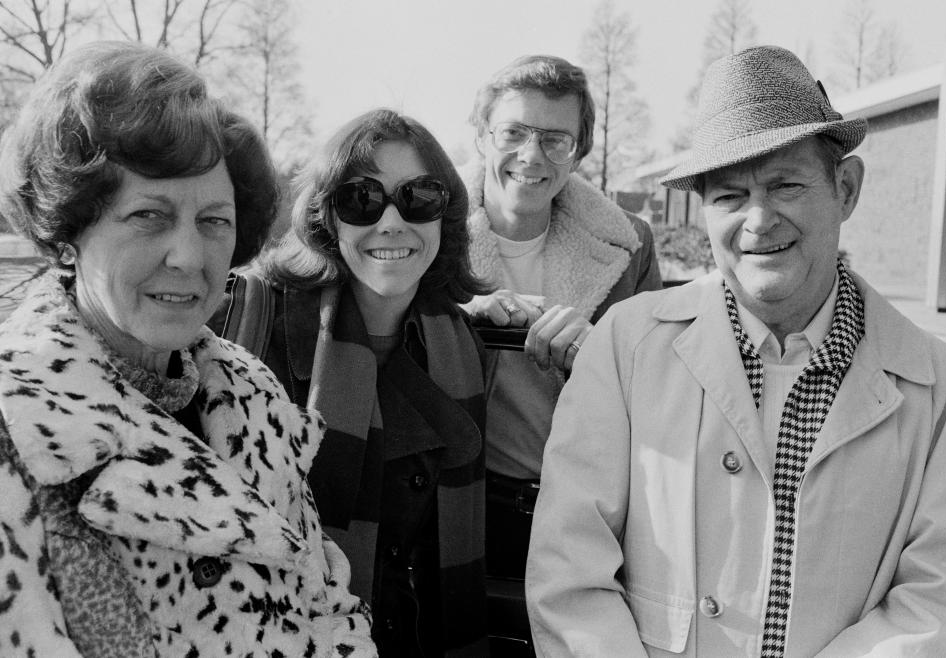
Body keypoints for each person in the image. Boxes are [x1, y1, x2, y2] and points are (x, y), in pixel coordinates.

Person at [526, 45, 946, 657]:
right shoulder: (625, 348)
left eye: (786, 185)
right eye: (729, 196)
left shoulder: (940, 387)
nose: (758, 220)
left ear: (847, 188)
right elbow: (569, 575)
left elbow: (939, 605)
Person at [0, 41, 375, 657]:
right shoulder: (24, 429)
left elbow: (329, 606)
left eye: (214, 221)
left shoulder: (251, 394)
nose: (190, 256)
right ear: (69, 233)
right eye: (149, 215)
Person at [211, 109, 490, 657]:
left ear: (444, 216)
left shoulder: (460, 348)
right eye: (361, 199)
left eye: (419, 197)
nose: (391, 223)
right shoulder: (246, 325)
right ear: (326, 219)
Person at [460, 54, 662, 581]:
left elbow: (662, 386)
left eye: (555, 139)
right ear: (481, 137)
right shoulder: (425, 238)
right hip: (462, 501)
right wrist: (460, 324)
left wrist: (601, 352)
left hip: (589, 510)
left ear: (578, 153)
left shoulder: (630, 245)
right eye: (513, 132)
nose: (531, 155)